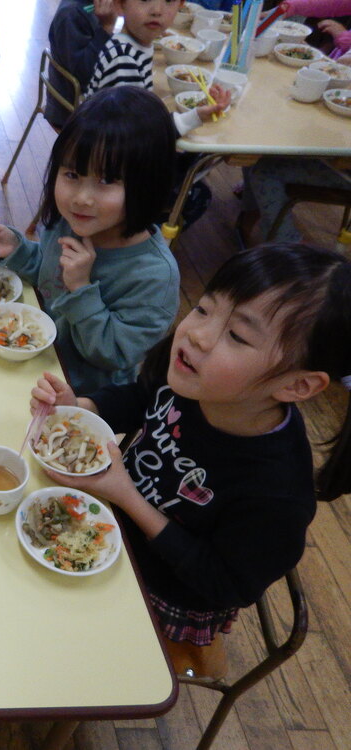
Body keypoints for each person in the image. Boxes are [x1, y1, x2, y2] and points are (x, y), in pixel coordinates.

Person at [30, 243, 351, 677]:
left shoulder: (277, 493)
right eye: (203, 309)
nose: (197, 333)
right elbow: (144, 396)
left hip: (161, 590)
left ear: (298, 386)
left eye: (237, 335)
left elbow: (224, 583)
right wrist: (85, 406)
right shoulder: (194, 375)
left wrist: (129, 499)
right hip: (107, 518)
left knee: (71, 671)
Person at [0, 86, 180, 393]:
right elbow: (46, 274)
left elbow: (114, 354)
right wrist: (17, 251)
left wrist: (82, 288)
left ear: (147, 183)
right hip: (25, 354)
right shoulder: (71, 223)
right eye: (72, 174)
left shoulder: (154, 276)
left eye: (107, 180)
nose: (82, 198)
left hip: (74, 392)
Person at [85, 0, 230, 135]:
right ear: (120, 5)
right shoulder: (123, 59)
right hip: (109, 156)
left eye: (168, 0)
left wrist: (198, 114)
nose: (157, 10)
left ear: (180, 5)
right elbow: (138, 137)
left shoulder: (135, 45)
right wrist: (194, 118)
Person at [45, 0, 117, 130]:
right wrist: (106, 28)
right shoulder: (71, 14)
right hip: (73, 110)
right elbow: (83, 74)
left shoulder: (88, 6)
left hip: (88, 97)